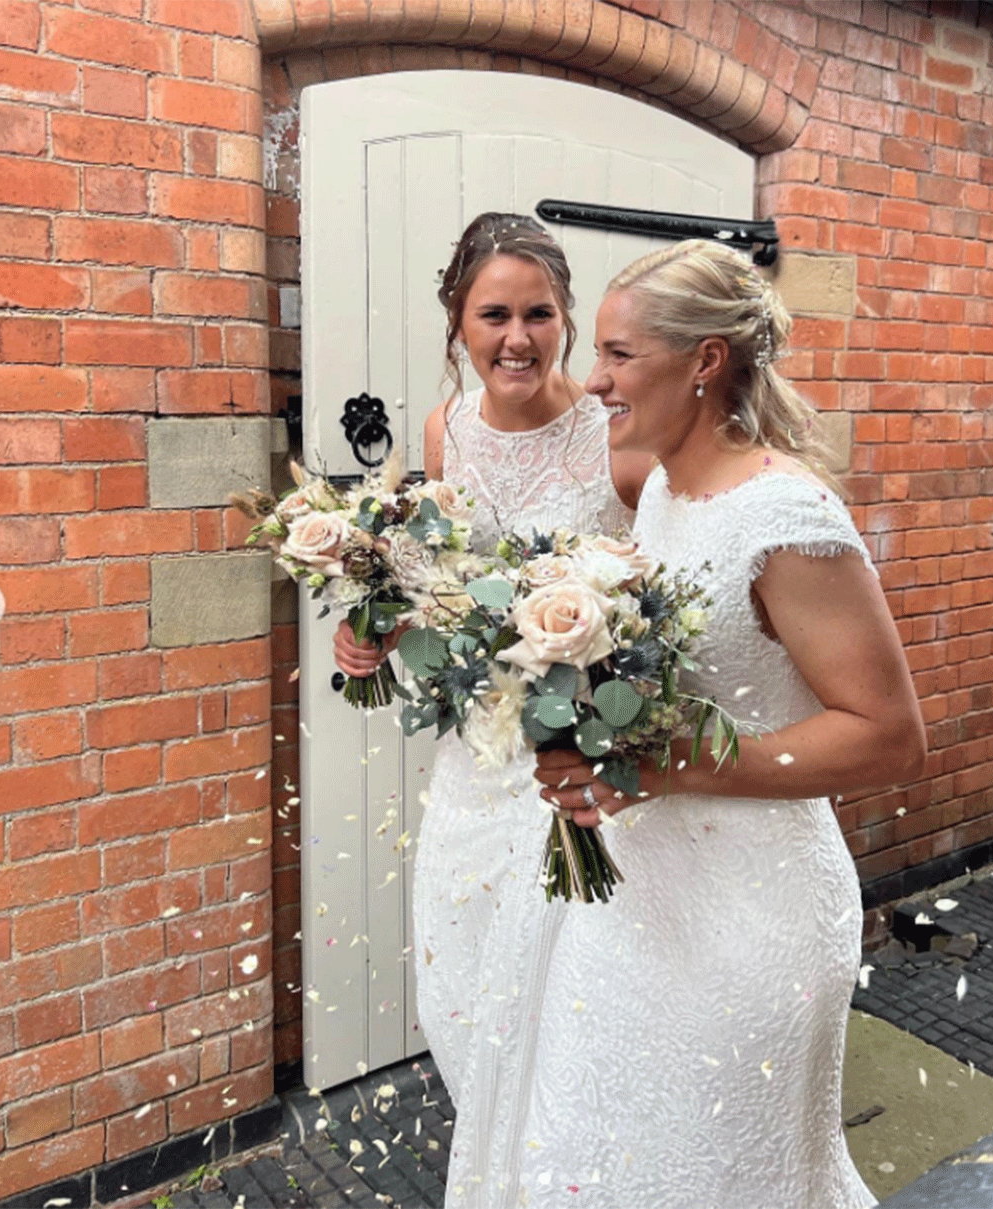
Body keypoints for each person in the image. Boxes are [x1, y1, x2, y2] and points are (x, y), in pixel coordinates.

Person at [516, 239, 927, 1208]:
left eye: (619, 354)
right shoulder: (661, 487)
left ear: (705, 361)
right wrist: (582, 736)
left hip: (753, 922)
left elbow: (888, 735)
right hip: (635, 902)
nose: (594, 378)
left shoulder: (787, 514)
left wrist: (661, 767)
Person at [331, 213, 653, 1193]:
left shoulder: (617, 430)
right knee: (467, 975)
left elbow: (657, 584)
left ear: (564, 318)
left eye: (539, 313)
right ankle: (512, 1166)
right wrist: (375, 625)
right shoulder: (445, 429)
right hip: (479, 751)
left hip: (579, 755)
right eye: (494, 314)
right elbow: (443, 573)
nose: (517, 336)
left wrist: (607, 686)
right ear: (458, 325)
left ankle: (584, 1176)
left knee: (576, 984)